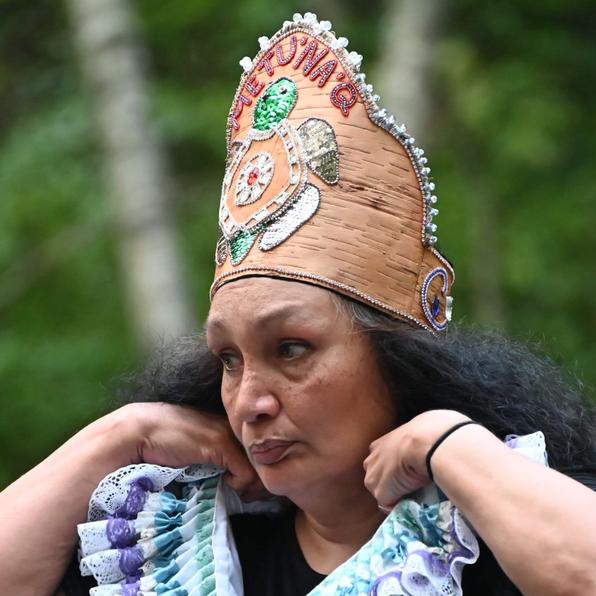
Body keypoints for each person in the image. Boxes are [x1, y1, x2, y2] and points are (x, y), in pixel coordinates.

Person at [1, 12, 596, 596]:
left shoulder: (504, 529)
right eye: (229, 359)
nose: (249, 402)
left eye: (291, 348)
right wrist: (120, 435)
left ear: (398, 357)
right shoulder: (181, 551)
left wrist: (448, 442)